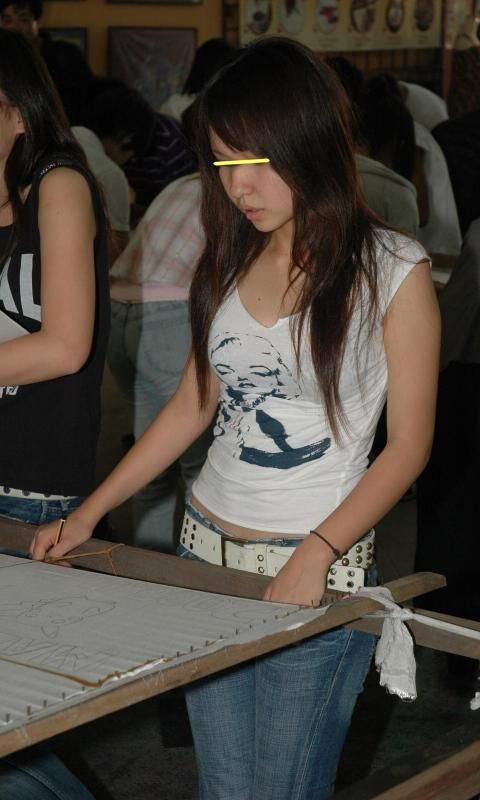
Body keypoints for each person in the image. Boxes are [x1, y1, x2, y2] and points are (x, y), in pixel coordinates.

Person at [31, 39, 440, 800]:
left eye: (255, 159)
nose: (237, 185)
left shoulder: (392, 269)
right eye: (222, 161)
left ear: (307, 139)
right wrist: (89, 513)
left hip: (311, 566)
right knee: (222, 787)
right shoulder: (228, 255)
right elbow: (195, 403)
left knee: (282, 788)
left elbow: (409, 445)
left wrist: (318, 552)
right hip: (203, 559)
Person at [0, 27, 109, 800]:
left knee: (18, 720)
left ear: (14, 110)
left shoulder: (59, 185)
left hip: (33, 484)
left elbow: (66, 345)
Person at [108, 172, 211, 551]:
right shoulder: (239, 194)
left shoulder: (181, 184)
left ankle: (149, 571)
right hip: (170, 316)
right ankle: (203, 576)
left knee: (151, 465)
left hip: (119, 309)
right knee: (199, 469)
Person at [0, 0, 93, 125]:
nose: (14, 27)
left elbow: (87, 103)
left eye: (23, 19)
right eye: (7, 20)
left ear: (37, 22)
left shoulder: (66, 56)